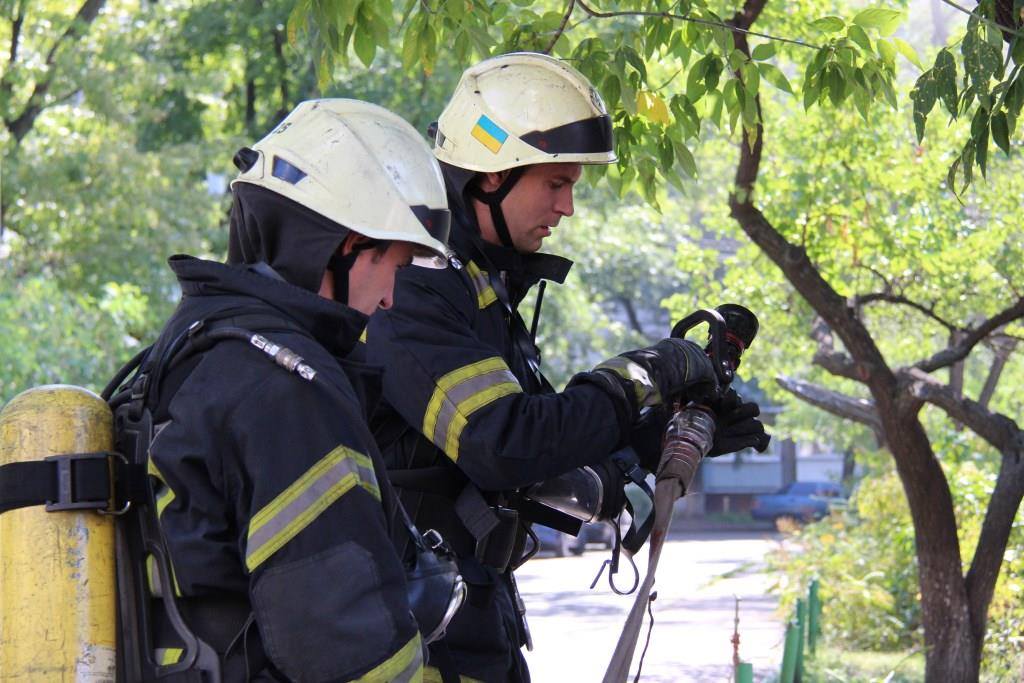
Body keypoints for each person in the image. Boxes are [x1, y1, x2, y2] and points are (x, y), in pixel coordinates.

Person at [365, 53, 770, 682]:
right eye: (556, 183)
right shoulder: (413, 288)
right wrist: (647, 374)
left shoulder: (480, 289)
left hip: (466, 617)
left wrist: (661, 438)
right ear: (492, 175)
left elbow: (544, 458)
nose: (568, 208)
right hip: (410, 634)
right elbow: (505, 444)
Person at [137, 99, 452, 681]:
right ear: (343, 244)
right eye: (397, 266)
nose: (388, 299)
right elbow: (347, 646)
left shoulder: (201, 346)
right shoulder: (286, 389)